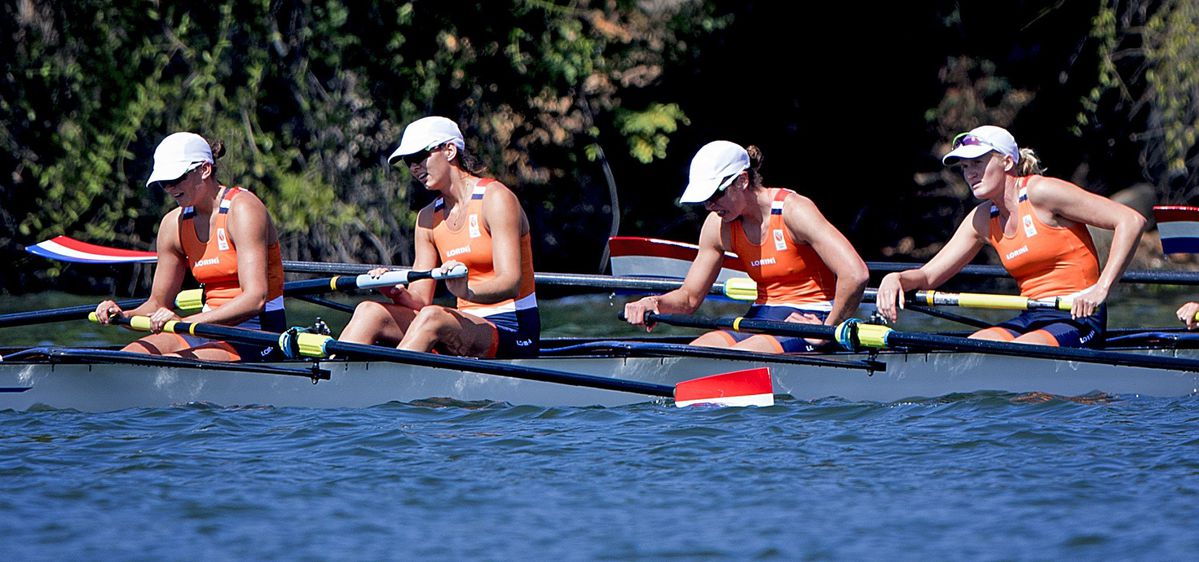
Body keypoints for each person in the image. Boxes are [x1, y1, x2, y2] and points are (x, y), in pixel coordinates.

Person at [877, 125, 1147, 347]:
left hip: (1079, 318)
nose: (970, 173)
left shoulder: (1042, 193)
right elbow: (928, 276)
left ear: (1007, 161)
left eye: (978, 163)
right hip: (1031, 316)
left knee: (1020, 351)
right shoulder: (982, 219)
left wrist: (1101, 289)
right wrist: (896, 279)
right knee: (971, 348)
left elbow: (1131, 220)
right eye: (964, 167)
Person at [623, 140, 869, 353]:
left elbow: (855, 274)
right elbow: (689, 298)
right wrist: (653, 302)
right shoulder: (718, 226)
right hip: (762, 316)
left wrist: (829, 330)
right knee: (698, 354)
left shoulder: (794, 211)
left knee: (737, 357)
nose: (709, 206)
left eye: (714, 195)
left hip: (813, 318)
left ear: (741, 180)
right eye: (704, 200)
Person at [338, 116, 540, 358]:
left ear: (449, 150)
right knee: (369, 311)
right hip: (461, 324)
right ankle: (334, 379)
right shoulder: (426, 219)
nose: (414, 167)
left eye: (419, 157)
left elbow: (510, 282)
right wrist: (393, 290)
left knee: (433, 317)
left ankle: (388, 383)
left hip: (513, 329)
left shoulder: (496, 199)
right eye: (408, 162)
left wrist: (466, 292)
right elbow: (420, 300)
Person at [95, 132, 286, 361]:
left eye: (176, 179)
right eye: (164, 183)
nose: (170, 188)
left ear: (205, 169)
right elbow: (156, 304)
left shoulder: (243, 209)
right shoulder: (172, 225)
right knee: (128, 357)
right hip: (203, 327)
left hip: (258, 333)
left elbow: (255, 298)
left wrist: (184, 323)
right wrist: (122, 315)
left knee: (173, 364)